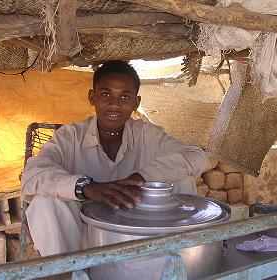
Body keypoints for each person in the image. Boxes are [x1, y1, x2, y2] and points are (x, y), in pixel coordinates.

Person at [21, 60, 210, 257]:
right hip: (82, 236)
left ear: (136, 103)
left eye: (125, 97)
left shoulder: (147, 134)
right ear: (92, 97)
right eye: (105, 94)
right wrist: (85, 187)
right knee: (44, 200)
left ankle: (171, 261)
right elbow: (32, 174)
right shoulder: (70, 136)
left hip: (138, 232)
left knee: (182, 181)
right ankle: (66, 272)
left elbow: (197, 157)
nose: (114, 104)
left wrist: (142, 177)